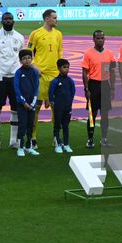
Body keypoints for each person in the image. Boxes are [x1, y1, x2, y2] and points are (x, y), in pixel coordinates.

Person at [0, 11, 25, 153]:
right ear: (1, 21)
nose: (8, 21)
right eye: (5, 19)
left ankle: (13, 141)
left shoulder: (19, 37)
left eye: (10, 19)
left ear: (13, 21)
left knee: (15, 110)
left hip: (15, 79)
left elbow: (21, 57)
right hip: (0, 78)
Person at [27, 9, 64, 145]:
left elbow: (60, 51)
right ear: (47, 19)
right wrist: (34, 65)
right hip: (40, 75)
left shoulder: (58, 34)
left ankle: (56, 137)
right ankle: (33, 137)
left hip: (55, 75)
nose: (56, 20)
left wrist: (61, 68)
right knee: (36, 107)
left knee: (56, 108)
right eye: (54, 18)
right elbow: (29, 51)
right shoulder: (36, 34)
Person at [80, 29, 113, 149]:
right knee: (92, 114)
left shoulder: (109, 53)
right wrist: (86, 89)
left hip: (105, 85)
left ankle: (104, 139)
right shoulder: (88, 53)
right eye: (98, 38)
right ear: (93, 39)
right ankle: (90, 139)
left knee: (105, 115)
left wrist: (113, 87)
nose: (100, 40)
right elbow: (84, 72)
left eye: (102, 38)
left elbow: (112, 70)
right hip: (93, 85)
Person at [12, 48, 40, 156]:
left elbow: (36, 87)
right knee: (22, 125)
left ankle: (29, 146)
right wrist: (23, 102)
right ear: (20, 60)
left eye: (29, 58)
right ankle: (20, 147)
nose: (27, 60)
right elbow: (16, 88)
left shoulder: (34, 72)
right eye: (24, 58)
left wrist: (33, 103)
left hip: (31, 104)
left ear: (32, 59)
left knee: (30, 125)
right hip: (22, 105)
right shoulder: (18, 72)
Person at [48, 59, 76, 153]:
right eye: (64, 67)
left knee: (66, 126)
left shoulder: (70, 81)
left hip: (67, 107)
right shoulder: (55, 81)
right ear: (59, 68)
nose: (67, 69)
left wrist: (69, 103)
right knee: (57, 126)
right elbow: (51, 93)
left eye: (68, 67)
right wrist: (52, 102)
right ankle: (58, 144)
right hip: (58, 107)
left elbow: (73, 92)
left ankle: (66, 144)